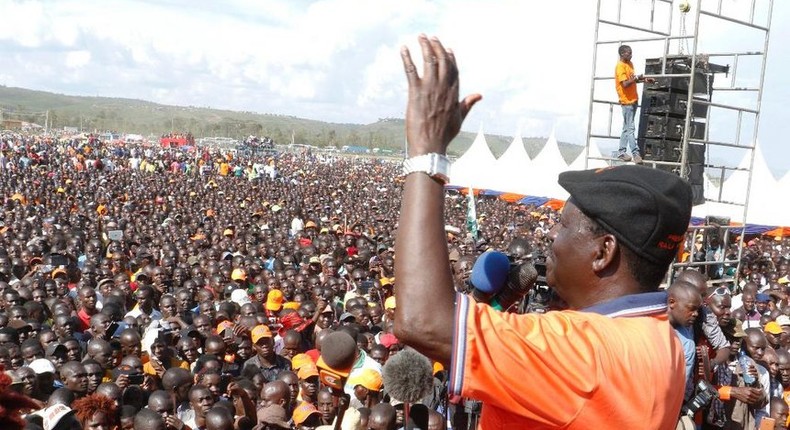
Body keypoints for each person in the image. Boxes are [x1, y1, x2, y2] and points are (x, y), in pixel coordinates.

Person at [394, 34, 691, 428]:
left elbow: (421, 320)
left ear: (604, 252)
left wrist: (426, 154)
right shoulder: (664, 343)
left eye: (563, 225)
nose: (551, 235)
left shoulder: (581, 354)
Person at [615, 44, 653, 164]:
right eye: (629, 53)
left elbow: (632, 80)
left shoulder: (630, 65)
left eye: (631, 53)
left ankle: (621, 152)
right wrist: (636, 78)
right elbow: (625, 84)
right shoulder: (620, 67)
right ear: (622, 54)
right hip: (626, 102)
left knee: (627, 128)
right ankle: (635, 153)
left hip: (633, 100)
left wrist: (644, 80)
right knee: (630, 128)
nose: (631, 55)